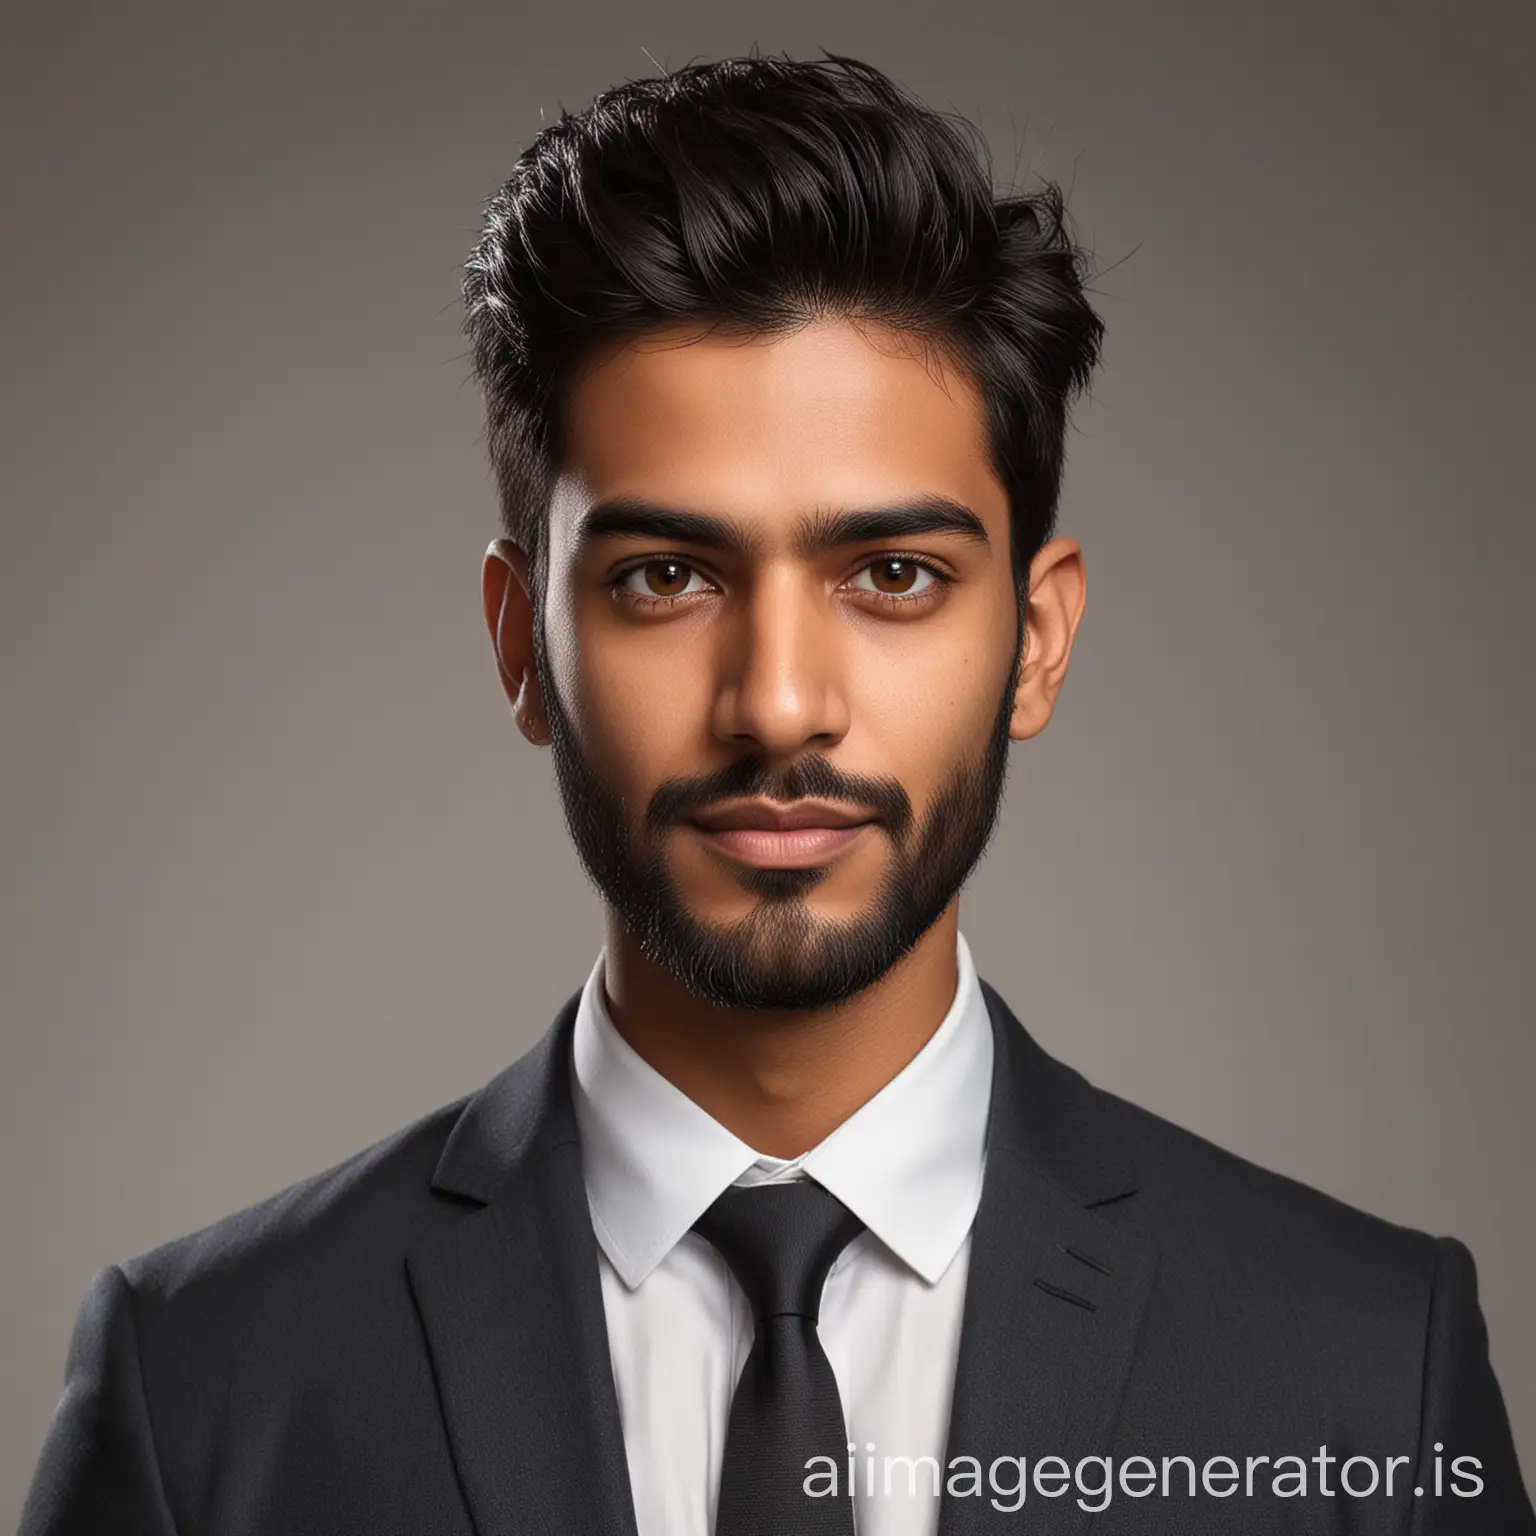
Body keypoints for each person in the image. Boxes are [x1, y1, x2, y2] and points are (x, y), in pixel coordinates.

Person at [20, 49, 1532, 1536]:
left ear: (1037, 639)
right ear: (520, 642)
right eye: (666, 577)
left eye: (893, 575)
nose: (779, 703)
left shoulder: (1363, 1376)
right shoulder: (205, 1388)